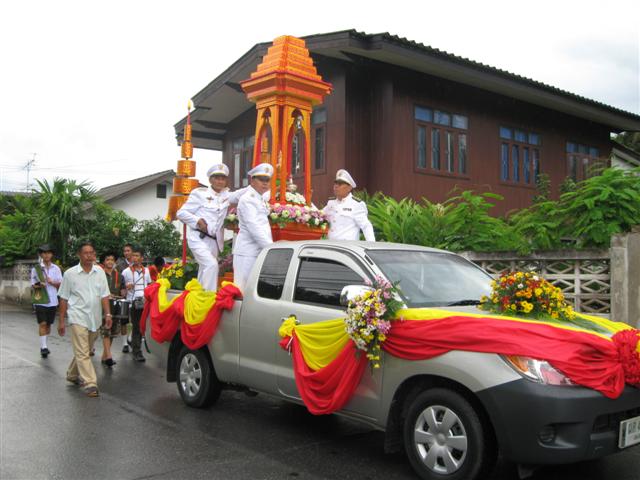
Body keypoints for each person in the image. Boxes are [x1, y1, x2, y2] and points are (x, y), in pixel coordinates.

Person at [177, 163, 248, 291]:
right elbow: (181, 213)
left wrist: (260, 184)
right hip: (198, 237)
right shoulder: (199, 194)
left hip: (214, 241)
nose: (220, 181)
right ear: (210, 179)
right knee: (211, 265)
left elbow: (241, 193)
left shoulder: (226, 196)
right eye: (217, 178)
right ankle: (208, 300)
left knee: (205, 270)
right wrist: (197, 220)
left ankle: (197, 296)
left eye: (223, 178)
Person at [57, 242, 112, 397]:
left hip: (94, 317)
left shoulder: (99, 272)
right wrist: (61, 320)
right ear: (79, 255)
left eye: (92, 253)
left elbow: (104, 295)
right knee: (83, 351)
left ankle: (72, 375)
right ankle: (91, 383)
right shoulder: (70, 274)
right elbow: (64, 298)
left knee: (84, 350)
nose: (89, 256)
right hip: (77, 316)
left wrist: (108, 314)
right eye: (86, 253)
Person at [232, 163, 274, 291]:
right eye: (261, 179)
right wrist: (271, 248)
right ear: (252, 180)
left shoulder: (259, 198)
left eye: (267, 180)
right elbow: (254, 228)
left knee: (252, 292)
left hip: (257, 251)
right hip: (247, 253)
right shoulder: (247, 199)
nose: (265, 183)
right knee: (242, 291)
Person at [30, 244, 63, 358]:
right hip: (41, 300)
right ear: (41, 254)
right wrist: (40, 284)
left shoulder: (57, 269)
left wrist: (52, 282)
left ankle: (45, 342)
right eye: (44, 252)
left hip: (53, 301)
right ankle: (43, 347)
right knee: (42, 323)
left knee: (48, 325)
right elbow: (32, 285)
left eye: (48, 252)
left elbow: (61, 285)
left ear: (52, 254)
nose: (46, 254)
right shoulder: (36, 269)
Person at [325, 169, 375, 242]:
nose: (336, 186)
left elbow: (366, 226)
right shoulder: (331, 203)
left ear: (349, 188)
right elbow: (318, 215)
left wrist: (371, 246)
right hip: (332, 247)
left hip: (347, 248)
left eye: (340, 184)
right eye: (335, 183)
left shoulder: (356, 204)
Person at [122, 245, 151, 363]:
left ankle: (132, 342)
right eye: (133, 255)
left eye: (137, 256)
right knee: (137, 327)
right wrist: (126, 287)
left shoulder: (147, 271)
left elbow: (149, 285)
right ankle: (137, 352)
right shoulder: (126, 272)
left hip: (145, 301)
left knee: (142, 327)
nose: (134, 258)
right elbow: (121, 289)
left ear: (142, 258)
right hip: (133, 303)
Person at [99, 252, 120, 367]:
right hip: (103, 306)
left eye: (112, 259)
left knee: (112, 332)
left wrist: (125, 290)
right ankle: (109, 356)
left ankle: (105, 355)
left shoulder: (118, 275)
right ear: (104, 262)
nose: (110, 262)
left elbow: (122, 291)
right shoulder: (99, 274)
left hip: (115, 306)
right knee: (106, 330)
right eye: (108, 259)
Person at [116, 243, 133, 353]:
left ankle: (131, 337)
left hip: (136, 296)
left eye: (128, 250)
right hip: (124, 296)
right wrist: (122, 289)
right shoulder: (119, 265)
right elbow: (117, 279)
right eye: (125, 251)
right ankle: (125, 343)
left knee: (135, 320)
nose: (126, 253)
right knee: (124, 320)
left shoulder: (138, 264)